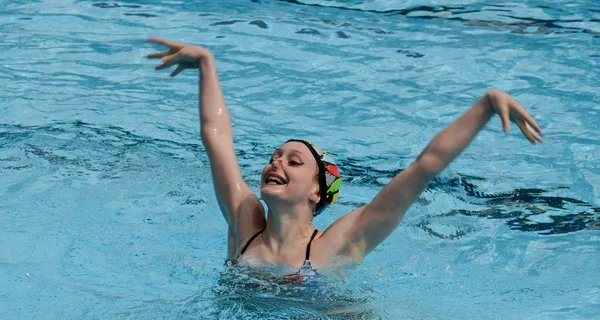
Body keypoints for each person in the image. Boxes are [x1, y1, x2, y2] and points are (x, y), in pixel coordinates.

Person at [146, 38, 543, 276]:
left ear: (317, 191)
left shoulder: (339, 241)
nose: (276, 163)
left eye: (293, 161)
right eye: (275, 157)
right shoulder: (244, 219)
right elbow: (216, 136)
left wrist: (487, 105)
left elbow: (425, 167)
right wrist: (206, 63)